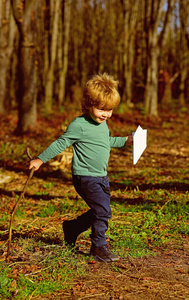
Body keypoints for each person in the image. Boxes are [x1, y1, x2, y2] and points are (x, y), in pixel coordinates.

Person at [29, 73, 133, 262]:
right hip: (85, 177)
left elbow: (105, 141)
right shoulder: (79, 125)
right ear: (88, 104)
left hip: (101, 176)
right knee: (103, 210)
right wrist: (40, 159)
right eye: (102, 109)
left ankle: (73, 228)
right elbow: (61, 143)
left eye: (110, 110)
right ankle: (98, 247)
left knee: (100, 210)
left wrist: (126, 140)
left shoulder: (102, 124)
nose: (106, 114)